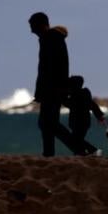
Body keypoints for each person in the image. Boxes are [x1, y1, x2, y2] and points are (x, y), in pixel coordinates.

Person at [28, 11, 80, 156]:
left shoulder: (51, 39)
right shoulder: (50, 38)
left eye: (32, 24)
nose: (30, 28)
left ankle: (84, 149)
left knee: (49, 123)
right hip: (52, 89)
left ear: (40, 24)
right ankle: (49, 153)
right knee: (47, 124)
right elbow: (46, 68)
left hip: (53, 89)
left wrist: (51, 90)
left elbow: (49, 69)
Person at [64, 75, 105, 157]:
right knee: (77, 139)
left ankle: (93, 151)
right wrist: (100, 116)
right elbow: (93, 105)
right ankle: (81, 152)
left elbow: (69, 104)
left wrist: (62, 98)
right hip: (83, 122)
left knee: (76, 139)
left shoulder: (77, 95)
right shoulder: (83, 94)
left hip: (80, 122)